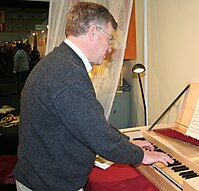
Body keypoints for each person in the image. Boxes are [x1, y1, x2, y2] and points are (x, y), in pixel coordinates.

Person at [14, 2, 173, 191]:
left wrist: (126, 140)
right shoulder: (68, 75)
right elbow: (97, 134)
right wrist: (141, 156)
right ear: (92, 32)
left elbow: (91, 121)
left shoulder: (60, 62)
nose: (110, 48)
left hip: (41, 176)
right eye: (109, 39)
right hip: (49, 184)